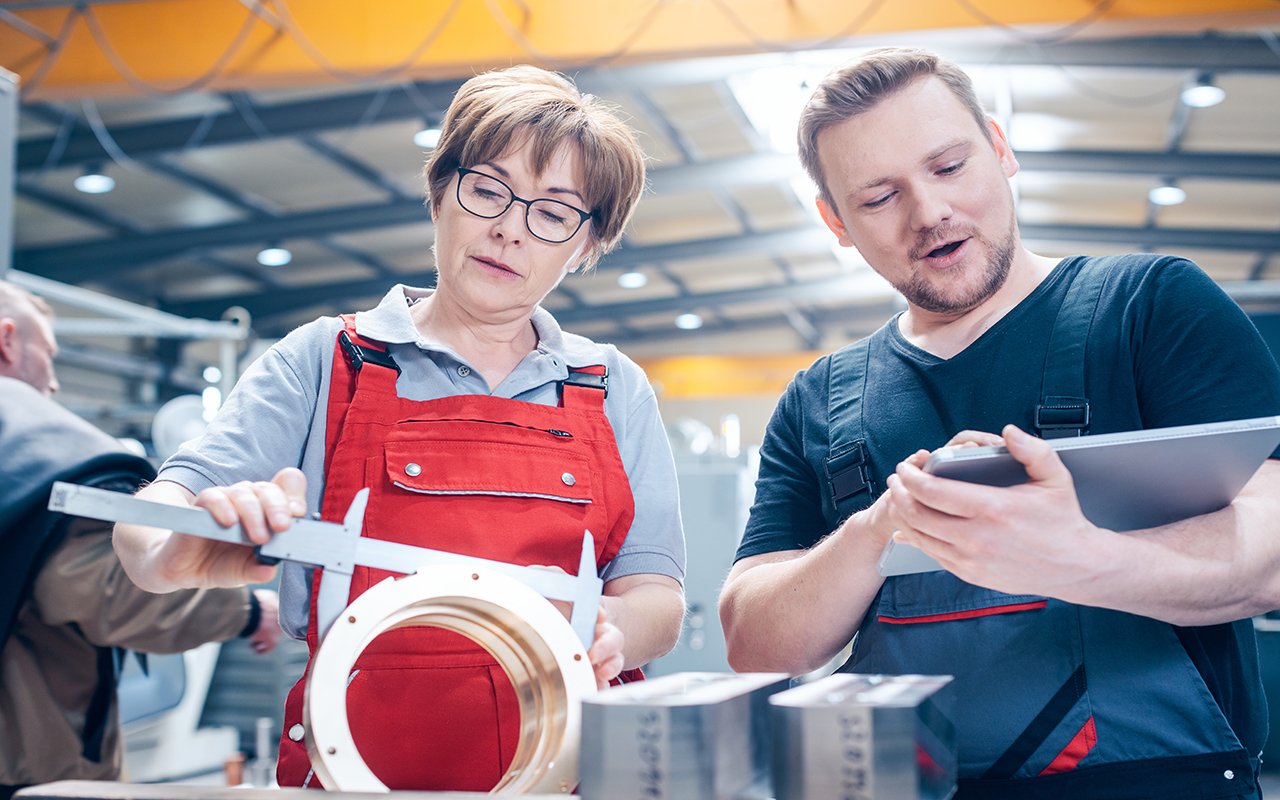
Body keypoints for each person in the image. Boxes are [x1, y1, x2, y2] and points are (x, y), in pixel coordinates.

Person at [718, 47, 1280, 799]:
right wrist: (886, 524)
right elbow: (755, 642)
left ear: (1000, 147)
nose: (930, 213)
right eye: (880, 197)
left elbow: (1270, 550)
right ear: (835, 221)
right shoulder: (822, 398)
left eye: (949, 167)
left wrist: (1073, 555)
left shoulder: (1150, 309)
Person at [112, 65, 687, 792]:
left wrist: (612, 631)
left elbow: (658, 602)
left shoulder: (612, 388)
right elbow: (152, 520)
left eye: (554, 212)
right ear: (441, 191)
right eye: (488, 189)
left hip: (562, 773)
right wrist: (173, 553)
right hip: (353, 769)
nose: (510, 228)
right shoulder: (327, 359)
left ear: (585, 245)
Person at [0, 281, 281, 800]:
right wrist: (246, 610)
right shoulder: (33, 443)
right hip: (22, 764)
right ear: (7, 341)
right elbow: (108, 590)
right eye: (49, 355)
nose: (55, 384)